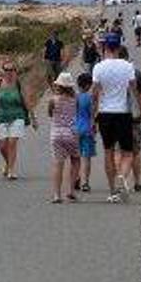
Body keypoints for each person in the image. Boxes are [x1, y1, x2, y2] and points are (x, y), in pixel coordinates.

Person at [92, 33, 141, 203]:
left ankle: (113, 190)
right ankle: (122, 176)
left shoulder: (98, 67)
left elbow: (95, 93)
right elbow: (134, 90)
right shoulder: (128, 67)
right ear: (119, 47)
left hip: (105, 113)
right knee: (128, 152)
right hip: (123, 113)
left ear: (105, 47)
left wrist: (93, 116)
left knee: (108, 151)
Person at [0, 61, 36, 180]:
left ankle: (12, 170)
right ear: (3, 71)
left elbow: (26, 101)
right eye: (6, 70)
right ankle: (8, 163)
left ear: (15, 71)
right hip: (1, 116)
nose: (9, 72)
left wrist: (33, 118)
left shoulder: (19, 84)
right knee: (2, 145)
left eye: (12, 70)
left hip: (17, 115)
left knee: (12, 142)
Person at [118, 46, 141, 192]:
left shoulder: (112, 73)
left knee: (120, 150)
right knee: (135, 151)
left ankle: (120, 177)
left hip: (116, 115)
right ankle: (137, 182)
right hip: (134, 116)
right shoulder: (136, 73)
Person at [48, 72, 80, 203]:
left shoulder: (52, 100)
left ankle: (56, 194)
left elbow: (50, 114)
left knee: (58, 164)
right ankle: (71, 190)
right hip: (71, 133)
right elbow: (76, 113)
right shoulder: (75, 99)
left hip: (56, 133)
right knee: (76, 160)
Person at [75, 73, 96, 192]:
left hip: (75, 129)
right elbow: (92, 115)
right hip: (87, 128)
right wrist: (94, 128)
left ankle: (76, 178)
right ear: (88, 85)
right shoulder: (89, 98)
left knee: (76, 156)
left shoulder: (74, 97)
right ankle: (85, 183)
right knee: (86, 157)